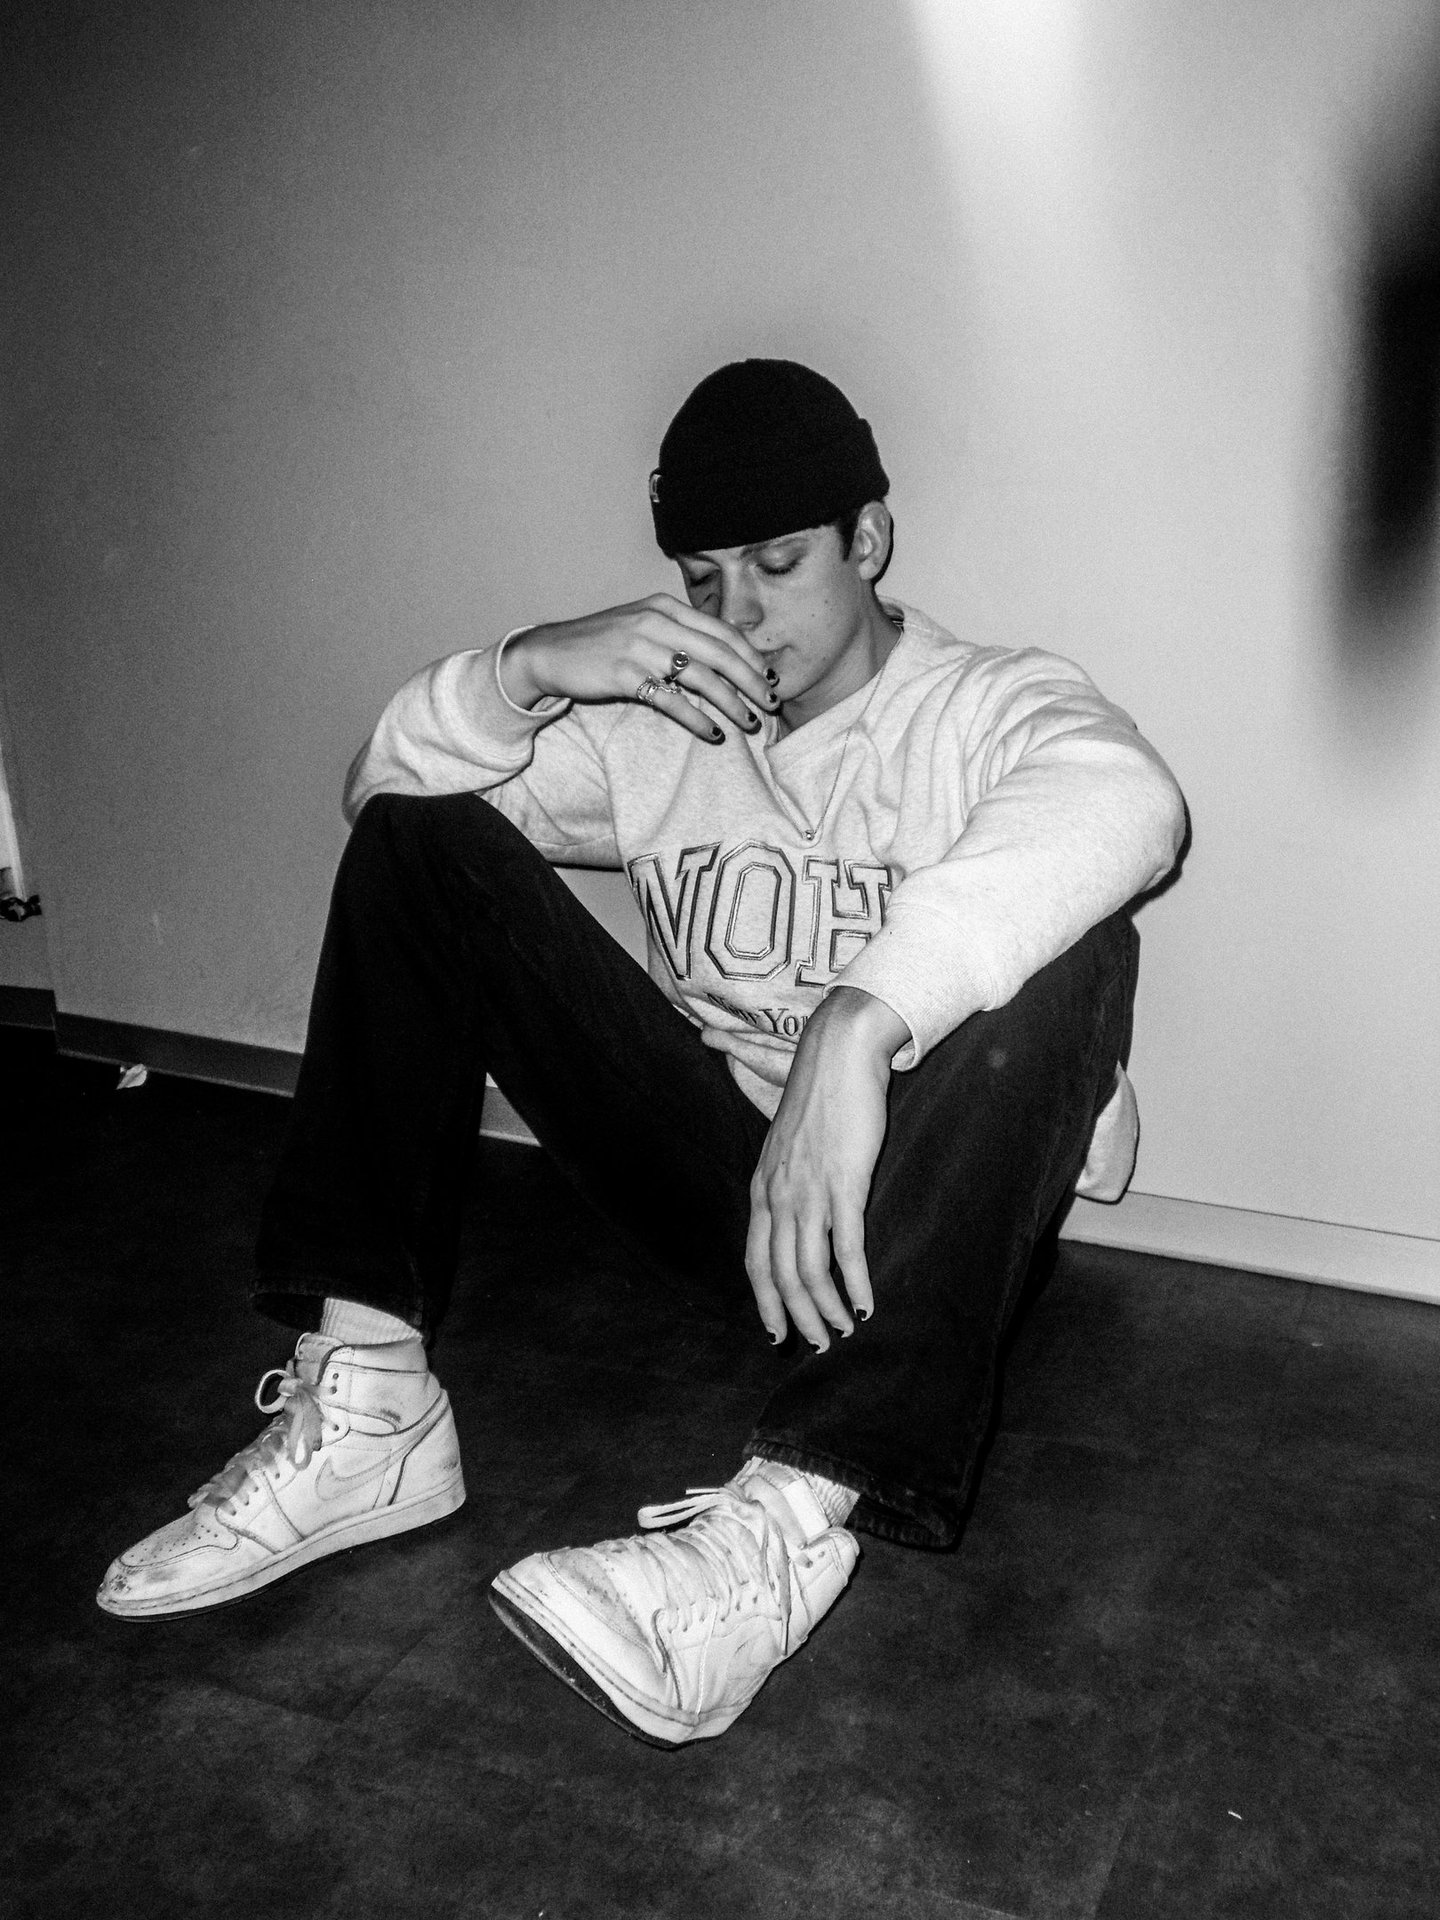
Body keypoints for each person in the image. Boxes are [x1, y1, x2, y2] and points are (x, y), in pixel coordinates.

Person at [97, 359, 1185, 1749]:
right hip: (729, 1196)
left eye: (779, 565)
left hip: (921, 1227)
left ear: (867, 539)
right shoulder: (668, 722)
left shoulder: (979, 705)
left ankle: (788, 1523)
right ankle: (371, 1408)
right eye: (702, 578)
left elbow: (1132, 801)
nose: (740, 618)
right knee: (421, 849)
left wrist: (857, 1026)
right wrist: (525, 670)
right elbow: (385, 794)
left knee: (1083, 943)